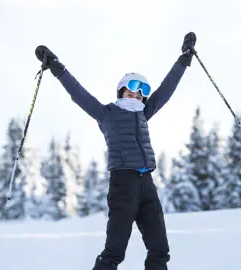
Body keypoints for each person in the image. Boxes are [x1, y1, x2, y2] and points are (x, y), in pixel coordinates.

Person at [35, 32, 197, 270]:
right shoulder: (107, 114)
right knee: (115, 251)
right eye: (130, 91)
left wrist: (183, 59)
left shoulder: (143, 112)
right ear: (121, 92)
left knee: (159, 248)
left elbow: (165, 90)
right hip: (123, 183)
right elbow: (79, 94)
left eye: (139, 93)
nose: (135, 96)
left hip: (147, 184)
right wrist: (58, 68)